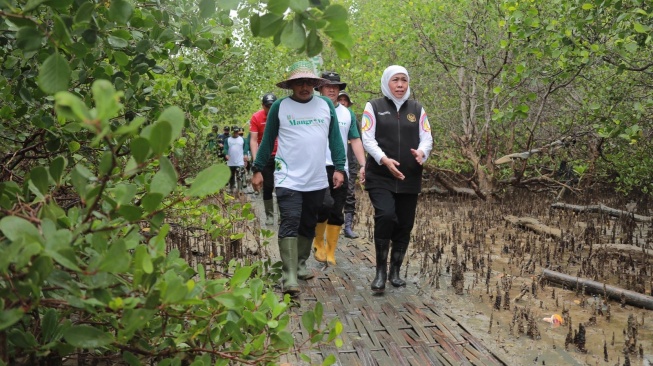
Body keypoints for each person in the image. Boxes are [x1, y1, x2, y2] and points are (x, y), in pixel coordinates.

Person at [251, 61, 346, 295]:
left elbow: (335, 139)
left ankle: (301, 264)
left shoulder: (325, 105)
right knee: (290, 220)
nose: (304, 87)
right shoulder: (280, 107)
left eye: (309, 82)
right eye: (299, 83)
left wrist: (340, 167)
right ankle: (289, 274)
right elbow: (267, 140)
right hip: (287, 177)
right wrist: (257, 169)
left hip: (316, 178)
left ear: (315, 84)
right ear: (291, 85)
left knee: (308, 221)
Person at [361, 65, 433, 293]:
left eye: (404, 80)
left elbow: (427, 138)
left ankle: (395, 271)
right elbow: (367, 139)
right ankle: (380, 271)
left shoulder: (417, 109)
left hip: (409, 176)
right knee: (386, 215)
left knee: (404, 224)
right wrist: (384, 160)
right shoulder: (373, 107)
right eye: (395, 80)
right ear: (386, 83)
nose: (400, 85)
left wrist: (422, 152)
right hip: (380, 175)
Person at [312, 72, 366, 266]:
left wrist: (363, 164)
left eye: (336, 86)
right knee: (323, 205)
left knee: (336, 210)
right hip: (317, 166)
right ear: (320, 88)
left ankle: (331, 251)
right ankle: (318, 241)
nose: (332, 89)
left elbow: (355, 139)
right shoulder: (312, 108)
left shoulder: (347, 113)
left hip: (340, 167)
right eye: (328, 86)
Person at [249, 93, 278, 224]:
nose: (270, 109)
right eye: (267, 106)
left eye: (273, 106)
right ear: (263, 106)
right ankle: (270, 215)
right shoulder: (256, 117)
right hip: (265, 156)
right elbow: (254, 140)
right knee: (268, 185)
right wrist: (256, 162)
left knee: (283, 186)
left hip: (281, 156)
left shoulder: (282, 115)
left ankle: (284, 215)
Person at [338, 91, 361, 239]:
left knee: (349, 194)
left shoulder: (352, 119)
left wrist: (361, 164)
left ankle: (347, 227)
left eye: (345, 100)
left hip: (350, 162)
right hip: (331, 163)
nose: (342, 103)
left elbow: (358, 141)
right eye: (340, 100)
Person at [224, 125, 249, 192]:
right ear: (232, 132)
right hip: (230, 161)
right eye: (234, 131)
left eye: (237, 131)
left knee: (239, 175)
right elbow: (225, 148)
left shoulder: (243, 139)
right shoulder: (227, 140)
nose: (236, 133)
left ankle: (240, 189)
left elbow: (246, 148)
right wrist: (226, 154)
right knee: (231, 175)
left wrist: (245, 155)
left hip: (239, 161)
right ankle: (232, 188)